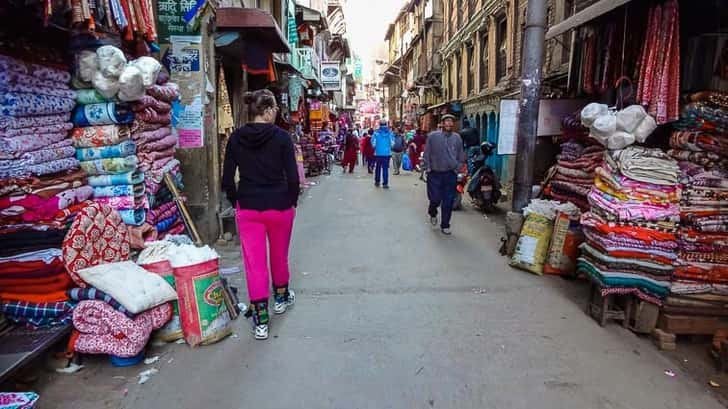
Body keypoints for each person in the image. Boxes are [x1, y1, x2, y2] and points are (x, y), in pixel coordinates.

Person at [222, 89, 299, 340]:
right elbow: (293, 176)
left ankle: (261, 321)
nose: (276, 112)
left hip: (249, 207)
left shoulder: (236, 138)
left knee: (255, 265)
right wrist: (291, 201)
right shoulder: (282, 138)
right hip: (279, 206)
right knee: (279, 256)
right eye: (275, 108)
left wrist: (237, 201)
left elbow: (227, 179)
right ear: (266, 111)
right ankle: (280, 298)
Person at [423, 114, 466, 235]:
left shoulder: (457, 138)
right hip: (435, 174)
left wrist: (458, 167)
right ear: (442, 123)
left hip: (450, 174)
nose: (449, 123)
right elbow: (427, 153)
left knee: (448, 201)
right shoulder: (433, 136)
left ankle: (445, 224)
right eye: (446, 121)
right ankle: (432, 212)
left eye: (451, 121)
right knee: (435, 198)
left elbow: (461, 154)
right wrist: (428, 168)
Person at [371, 120, 395, 188]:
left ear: (380, 124)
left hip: (378, 154)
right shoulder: (390, 133)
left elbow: (373, 144)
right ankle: (385, 183)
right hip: (387, 154)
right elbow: (393, 144)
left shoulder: (376, 133)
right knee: (385, 169)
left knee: (378, 168)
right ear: (386, 124)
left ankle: (377, 182)